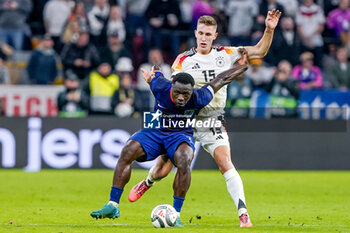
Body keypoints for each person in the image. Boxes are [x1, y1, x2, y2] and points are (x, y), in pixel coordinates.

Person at [129, 11, 281, 228]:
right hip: (185, 121)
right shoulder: (183, 60)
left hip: (213, 120)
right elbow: (173, 92)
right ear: (195, 33)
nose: (203, 37)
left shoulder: (227, 54)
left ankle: (243, 213)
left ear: (214, 35)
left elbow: (259, 50)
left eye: (208, 34)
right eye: (200, 33)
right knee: (164, 168)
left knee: (225, 163)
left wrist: (269, 29)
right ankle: (147, 182)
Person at [90, 50, 249, 227]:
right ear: (171, 86)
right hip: (156, 131)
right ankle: (113, 205)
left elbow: (221, 79)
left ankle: (176, 213)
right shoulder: (160, 86)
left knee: (184, 159)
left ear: (192, 92)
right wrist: (152, 71)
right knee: (128, 150)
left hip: (180, 135)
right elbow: (156, 71)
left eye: (185, 94)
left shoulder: (200, 97)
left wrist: (241, 66)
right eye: (178, 93)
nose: (181, 98)